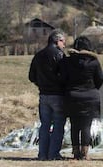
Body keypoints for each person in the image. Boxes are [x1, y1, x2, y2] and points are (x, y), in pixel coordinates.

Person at [61, 36, 103, 160]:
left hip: (72, 96)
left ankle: (75, 152)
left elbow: (63, 78)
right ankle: (84, 153)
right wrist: (93, 88)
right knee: (86, 126)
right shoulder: (94, 62)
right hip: (90, 96)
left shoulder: (68, 61)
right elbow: (100, 79)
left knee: (74, 125)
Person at [28, 29, 67, 161]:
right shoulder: (60, 55)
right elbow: (65, 76)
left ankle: (42, 154)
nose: (64, 45)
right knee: (58, 124)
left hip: (43, 94)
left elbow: (31, 76)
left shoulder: (38, 55)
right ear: (57, 41)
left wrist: (40, 84)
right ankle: (54, 153)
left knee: (44, 125)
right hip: (58, 95)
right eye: (63, 41)